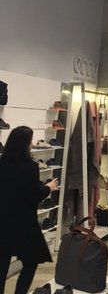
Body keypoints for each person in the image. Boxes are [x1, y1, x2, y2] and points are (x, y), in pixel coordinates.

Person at [0, 126, 59, 294]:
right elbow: (34, 196)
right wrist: (48, 188)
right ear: (25, 144)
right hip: (23, 222)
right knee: (31, 261)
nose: (32, 145)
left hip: (3, 221)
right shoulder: (30, 166)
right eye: (30, 141)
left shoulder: (1, 164)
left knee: (2, 265)